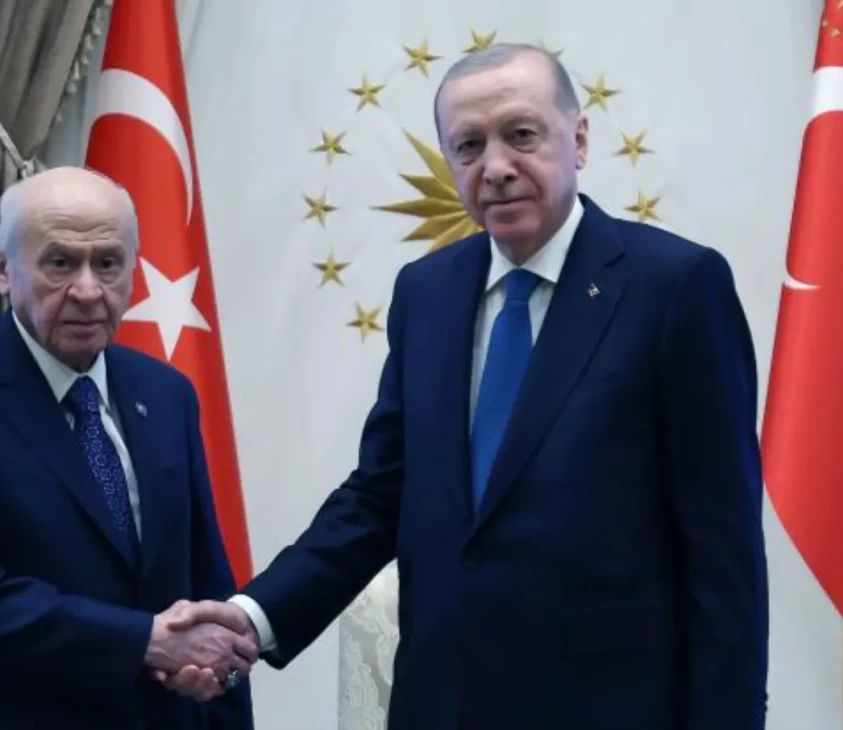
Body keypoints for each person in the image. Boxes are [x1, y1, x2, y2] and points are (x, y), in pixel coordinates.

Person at [165, 43, 769, 729]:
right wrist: (254, 616)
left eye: (521, 135)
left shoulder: (674, 286)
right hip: (442, 705)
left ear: (577, 140)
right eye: (470, 146)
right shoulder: (426, 292)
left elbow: (723, 547)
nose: (497, 167)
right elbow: (381, 495)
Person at [0, 166, 255, 730]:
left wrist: (218, 679)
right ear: (1, 268)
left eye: (107, 263)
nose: (87, 290)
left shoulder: (166, 393)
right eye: (60, 263)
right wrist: (145, 642)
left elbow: (206, 582)